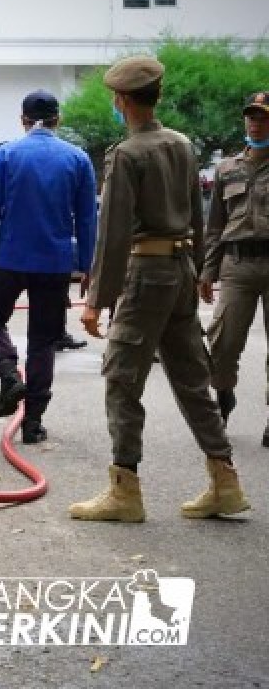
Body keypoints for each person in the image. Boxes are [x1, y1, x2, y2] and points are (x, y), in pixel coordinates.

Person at [71, 56, 250, 523]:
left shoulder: (127, 154)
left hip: (146, 272)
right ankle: (224, 481)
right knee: (193, 379)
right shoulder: (182, 145)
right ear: (157, 96)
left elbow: (112, 234)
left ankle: (124, 491)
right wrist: (194, 272)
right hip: (179, 273)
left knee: (122, 378)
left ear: (122, 100)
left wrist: (96, 301)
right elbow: (197, 214)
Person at [0, 90, 98, 443]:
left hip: (9, 257)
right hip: (55, 263)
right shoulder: (78, 159)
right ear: (58, 120)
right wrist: (87, 265)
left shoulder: (7, 154)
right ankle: (32, 423)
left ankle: (9, 374)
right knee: (44, 339)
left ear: (23, 120)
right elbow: (87, 219)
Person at [199, 90, 269, 444]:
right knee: (223, 342)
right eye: (251, 117)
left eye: (263, 117)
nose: (255, 123)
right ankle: (223, 395)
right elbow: (214, 226)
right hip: (237, 264)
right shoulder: (227, 168)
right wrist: (207, 271)